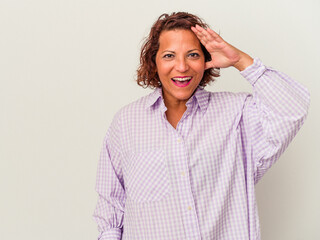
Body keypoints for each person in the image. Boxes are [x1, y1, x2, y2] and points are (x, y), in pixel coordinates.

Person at [93, 12, 310, 240]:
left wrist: (240, 60)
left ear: (206, 61)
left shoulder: (235, 114)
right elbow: (111, 205)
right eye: (169, 55)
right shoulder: (126, 123)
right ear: (153, 61)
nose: (182, 66)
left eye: (193, 55)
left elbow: (292, 109)